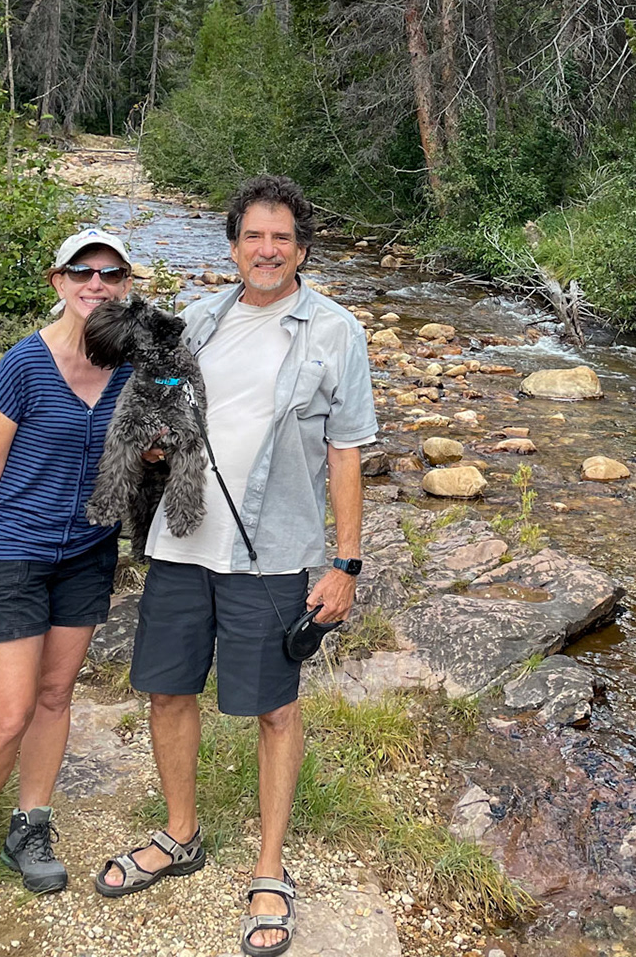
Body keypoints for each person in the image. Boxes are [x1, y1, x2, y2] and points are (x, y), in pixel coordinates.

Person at [94, 174, 376, 957]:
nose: (268, 249)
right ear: (233, 247)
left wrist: (346, 563)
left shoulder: (336, 333)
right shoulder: (200, 320)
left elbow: (346, 451)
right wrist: (154, 450)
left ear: (303, 249)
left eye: (282, 237)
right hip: (180, 544)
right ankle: (181, 833)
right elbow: (161, 416)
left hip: (273, 554)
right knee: (167, 692)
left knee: (275, 710)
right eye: (255, 235)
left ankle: (270, 868)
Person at [0, 228, 137, 899]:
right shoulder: (23, 365)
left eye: (111, 274)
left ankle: (29, 827)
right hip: (12, 553)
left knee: (55, 696)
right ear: (58, 282)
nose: (96, 284)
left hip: (88, 555)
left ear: (126, 286)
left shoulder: (132, 368)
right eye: (82, 271)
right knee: (9, 712)